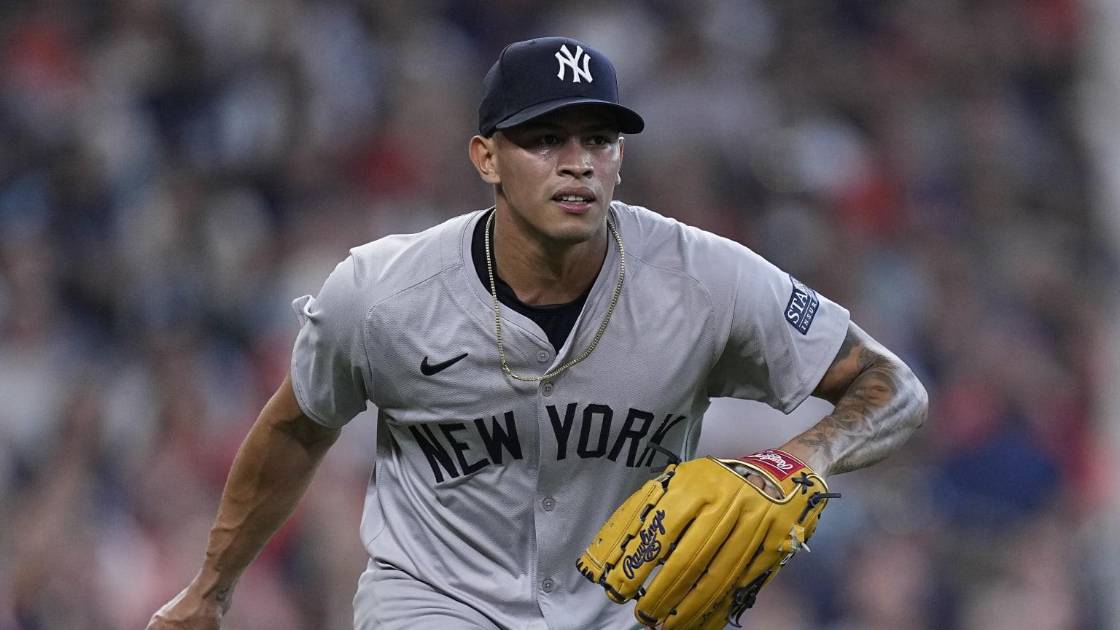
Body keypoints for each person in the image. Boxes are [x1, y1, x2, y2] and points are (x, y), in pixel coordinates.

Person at [147, 36, 928, 630]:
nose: (577, 163)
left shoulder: (706, 279)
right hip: (434, 602)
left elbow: (893, 387)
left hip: (623, 609)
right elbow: (297, 427)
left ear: (621, 158)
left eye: (599, 140)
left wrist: (794, 462)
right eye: (546, 139)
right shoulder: (383, 293)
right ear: (486, 157)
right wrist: (210, 589)